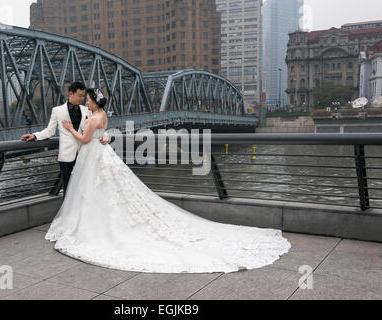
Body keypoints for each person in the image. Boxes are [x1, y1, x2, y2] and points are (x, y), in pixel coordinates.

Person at [45, 88, 291, 274]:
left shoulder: (95, 117)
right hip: (100, 156)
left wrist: (69, 128)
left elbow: (86, 139)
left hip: (93, 155)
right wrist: (104, 135)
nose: (86, 100)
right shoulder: (101, 114)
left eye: (88, 98)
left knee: (97, 191)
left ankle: (95, 226)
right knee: (107, 191)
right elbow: (101, 132)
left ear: (93, 101)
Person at [20, 82, 107, 197]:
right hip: (67, 156)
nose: (82, 98)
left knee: (85, 188)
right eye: (79, 95)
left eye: (83, 96)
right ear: (71, 93)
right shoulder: (57, 111)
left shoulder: (87, 110)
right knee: (68, 188)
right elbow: (49, 131)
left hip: (85, 154)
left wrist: (105, 136)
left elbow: (99, 126)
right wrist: (35, 136)